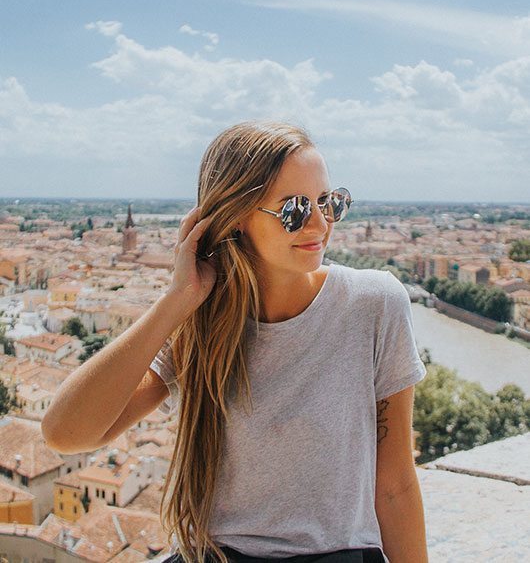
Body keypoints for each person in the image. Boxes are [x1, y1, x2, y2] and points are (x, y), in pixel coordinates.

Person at [42, 121, 428, 563]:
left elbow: (395, 483)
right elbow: (65, 433)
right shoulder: (202, 323)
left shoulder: (375, 303)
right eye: (294, 209)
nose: (320, 223)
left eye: (329, 202)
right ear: (237, 219)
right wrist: (176, 300)